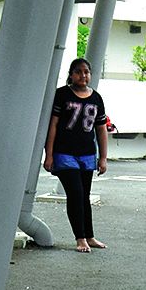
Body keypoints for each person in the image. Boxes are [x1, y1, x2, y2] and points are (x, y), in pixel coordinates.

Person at [45, 57, 108, 252]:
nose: (83, 75)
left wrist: (103, 157)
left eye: (86, 71)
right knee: (76, 194)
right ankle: (79, 238)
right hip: (64, 153)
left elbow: (101, 129)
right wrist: (49, 154)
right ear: (71, 75)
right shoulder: (62, 95)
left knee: (85, 196)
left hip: (87, 154)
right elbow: (53, 124)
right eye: (79, 71)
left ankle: (89, 236)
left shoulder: (96, 98)